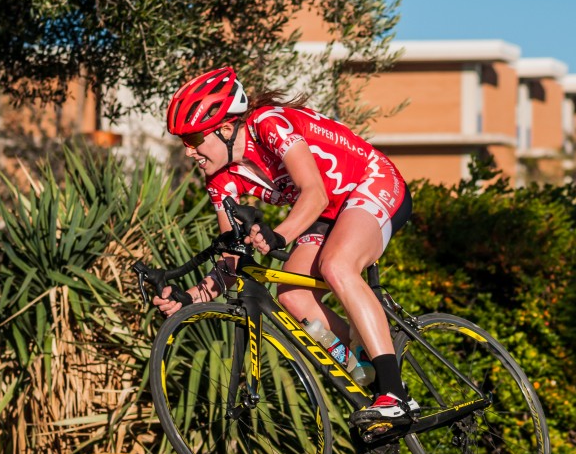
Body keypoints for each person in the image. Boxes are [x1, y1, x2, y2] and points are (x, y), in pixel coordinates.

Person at [154, 66, 416, 434]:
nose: (190, 151)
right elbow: (232, 257)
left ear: (226, 128)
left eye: (195, 138)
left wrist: (277, 235)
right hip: (328, 214)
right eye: (183, 142)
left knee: (337, 266)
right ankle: (367, 371)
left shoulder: (268, 124)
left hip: (370, 182)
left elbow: (315, 192)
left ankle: (395, 394)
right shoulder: (221, 179)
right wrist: (191, 297)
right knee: (291, 295)